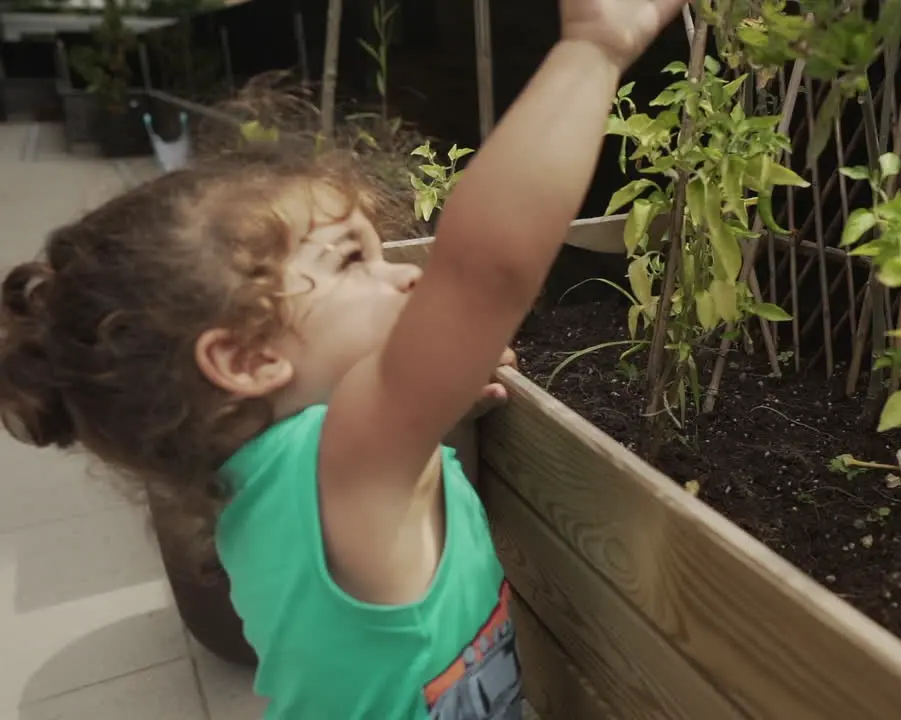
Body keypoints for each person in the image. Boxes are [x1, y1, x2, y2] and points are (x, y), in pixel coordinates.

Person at [0, 0, 688, 717]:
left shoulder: (269, 470)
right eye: (352, 259)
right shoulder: (347, 457)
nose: (406, 275)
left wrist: (432, 400)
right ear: (245, 357)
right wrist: (594, 47)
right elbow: (481, 273)